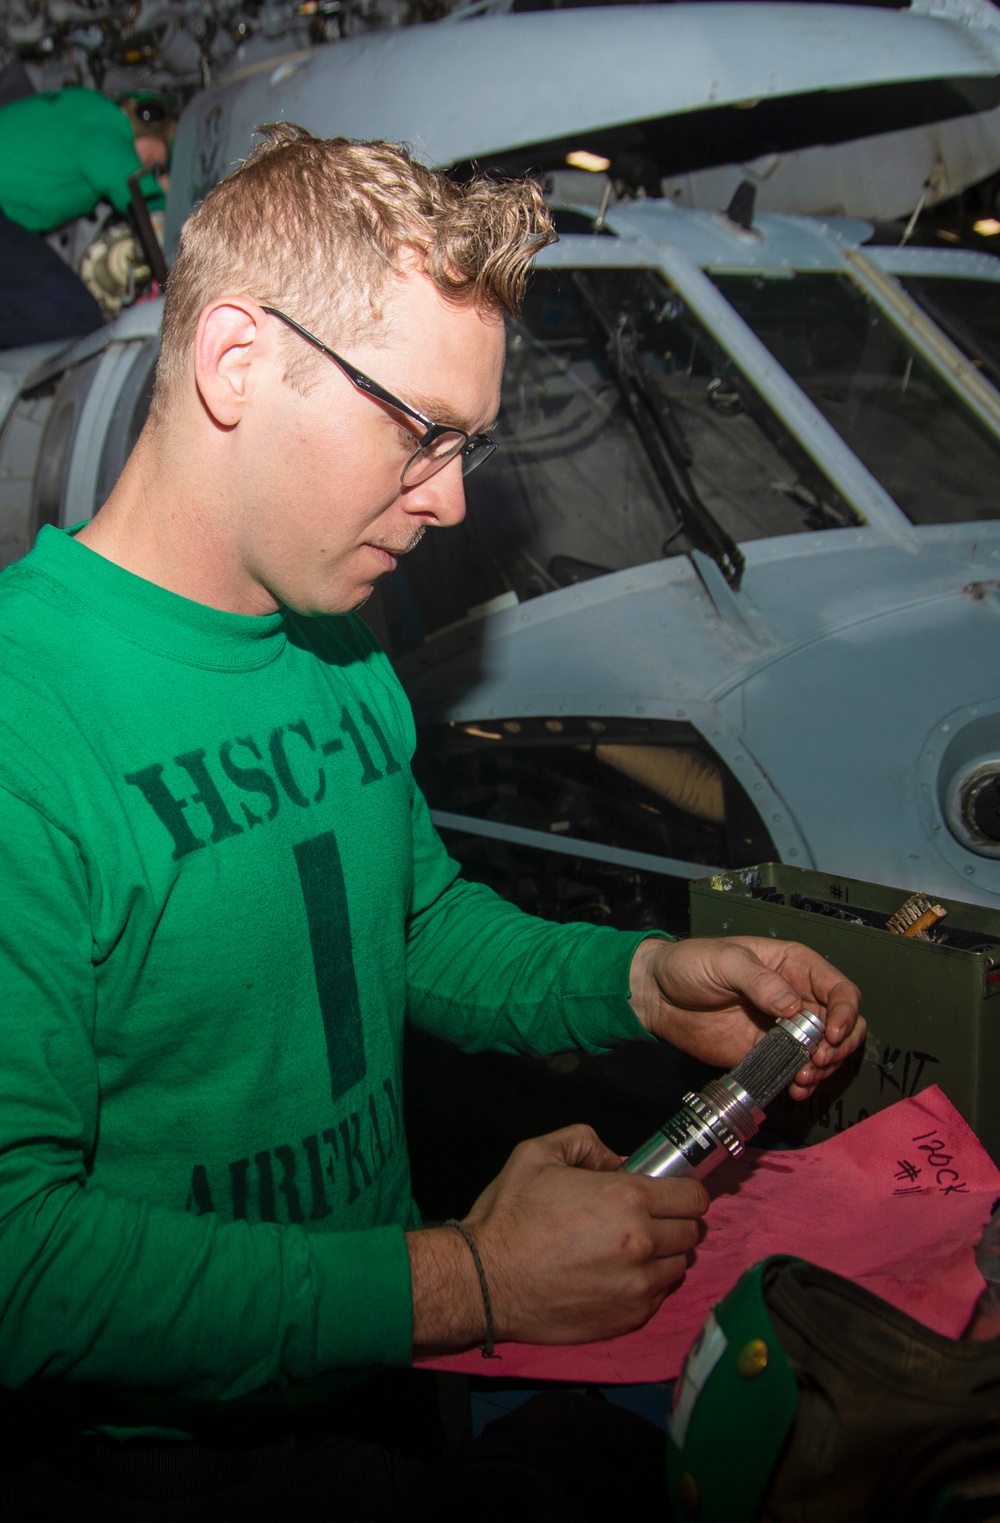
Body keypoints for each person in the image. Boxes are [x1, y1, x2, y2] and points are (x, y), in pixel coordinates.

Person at [0, 124, 864, 1518]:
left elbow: (413, 925)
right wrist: (468, 1277)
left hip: (384, 1376)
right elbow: (18, 1268)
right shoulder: (25, 724)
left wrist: (637, 983)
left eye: (468, 443)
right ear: (233, 362)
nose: (452, 498)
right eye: (418, 431)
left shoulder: (335, 643)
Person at [0, 86, 174, 347]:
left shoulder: (84, 113)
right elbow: (143, 197)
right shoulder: (103, 120)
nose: (151, 166)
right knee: (74, 312)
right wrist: (170, 200)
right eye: (156, 160)